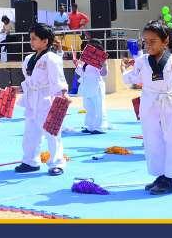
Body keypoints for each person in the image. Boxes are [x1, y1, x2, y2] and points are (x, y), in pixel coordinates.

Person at [120, 20, 172, 195]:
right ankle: (160, 175)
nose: (148, 45)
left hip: (170, 101)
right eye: (145, 41)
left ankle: (170, 179)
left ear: (165, 41)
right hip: (149, 102)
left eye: (153, 41)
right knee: (152, 138)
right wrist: (124, 70)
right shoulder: (142, 61)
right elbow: (133, 79)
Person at [15, 23, 69, 176]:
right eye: (30, 38)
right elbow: (29, 80)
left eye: (34, 39)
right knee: (30, 132)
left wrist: (62, 96)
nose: (31, 41)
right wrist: (19, 88)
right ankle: (30, 161)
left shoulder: (52, 59)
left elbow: (58, 80)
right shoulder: (29, 59)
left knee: (52, 133)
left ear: (45, 41)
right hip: (32, 98)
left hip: (47, 99)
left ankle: (57, 163)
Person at [74, 39, 108, 134]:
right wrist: (77, 64)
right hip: (87, 85)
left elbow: (104, 73)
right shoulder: (86, 60)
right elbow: (82, 73)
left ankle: (100, 127)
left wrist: (103, 65)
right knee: (88, 106)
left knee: (99, 106)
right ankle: (90, 126)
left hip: (96, 85)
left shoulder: (101, 58)